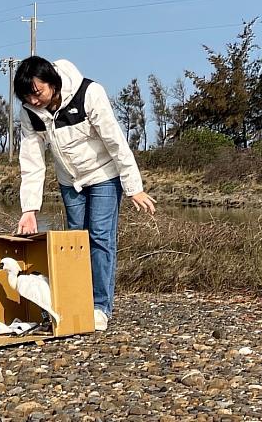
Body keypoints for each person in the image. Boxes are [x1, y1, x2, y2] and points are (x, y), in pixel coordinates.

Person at [13, 56, 156, 330]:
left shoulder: (88, 93)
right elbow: (31, 161)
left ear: (52, 82)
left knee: (101, 237)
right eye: (26, 96)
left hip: (103, 175)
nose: (33, 100)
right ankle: (76, 303)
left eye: (37, 92)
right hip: (71, 182)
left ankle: (100, 307)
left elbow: (115, 141)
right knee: (74, 242)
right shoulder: (30, 113)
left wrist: (134, 187)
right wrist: (29, 210)